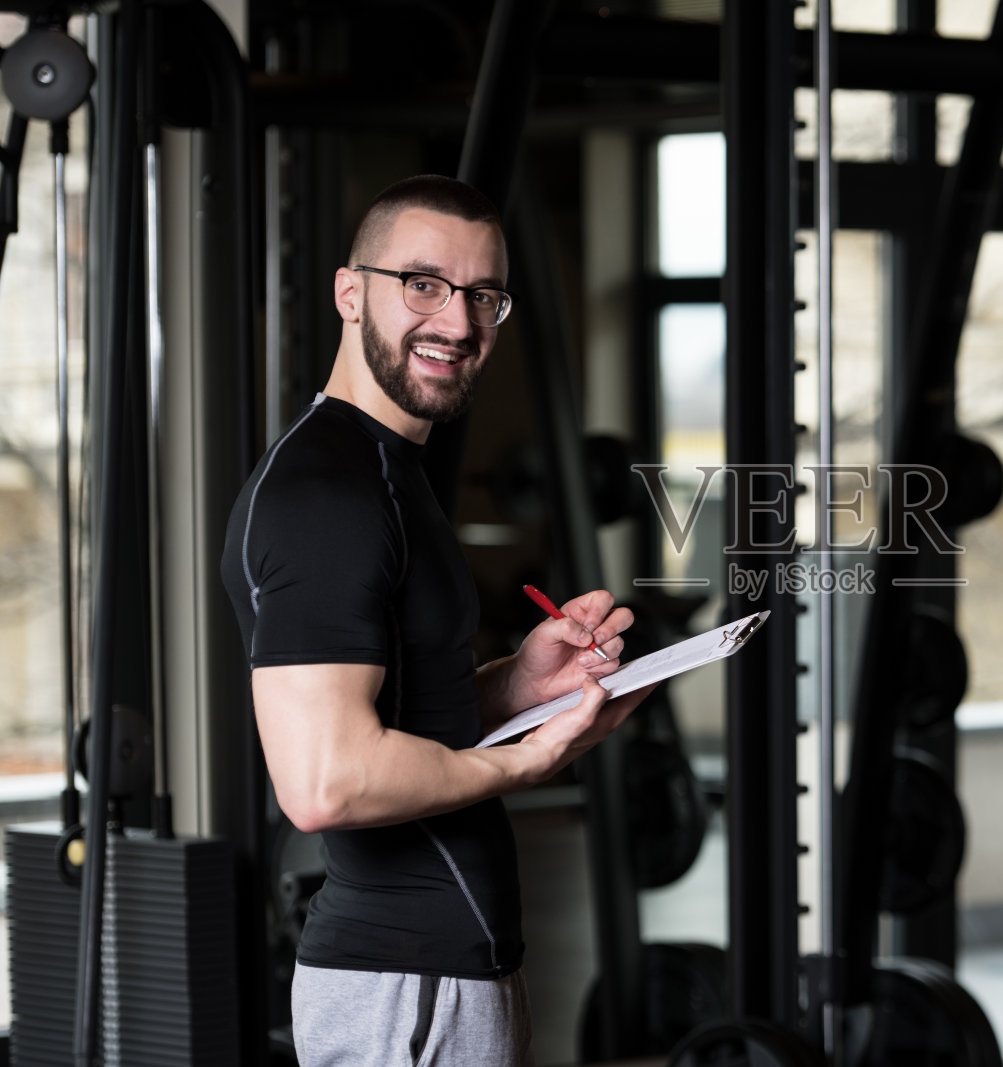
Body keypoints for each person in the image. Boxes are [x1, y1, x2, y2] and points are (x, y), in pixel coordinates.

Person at [221, 174, 652, 1066]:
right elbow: (326, 782)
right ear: (351, 292)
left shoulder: (384, 470)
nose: (457, 322)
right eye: (422, 283)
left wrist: (519, 685)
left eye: (482, 294)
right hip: (402, 989)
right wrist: (523, 761)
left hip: (444, 976)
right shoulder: (327, 494)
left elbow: (403, 712)